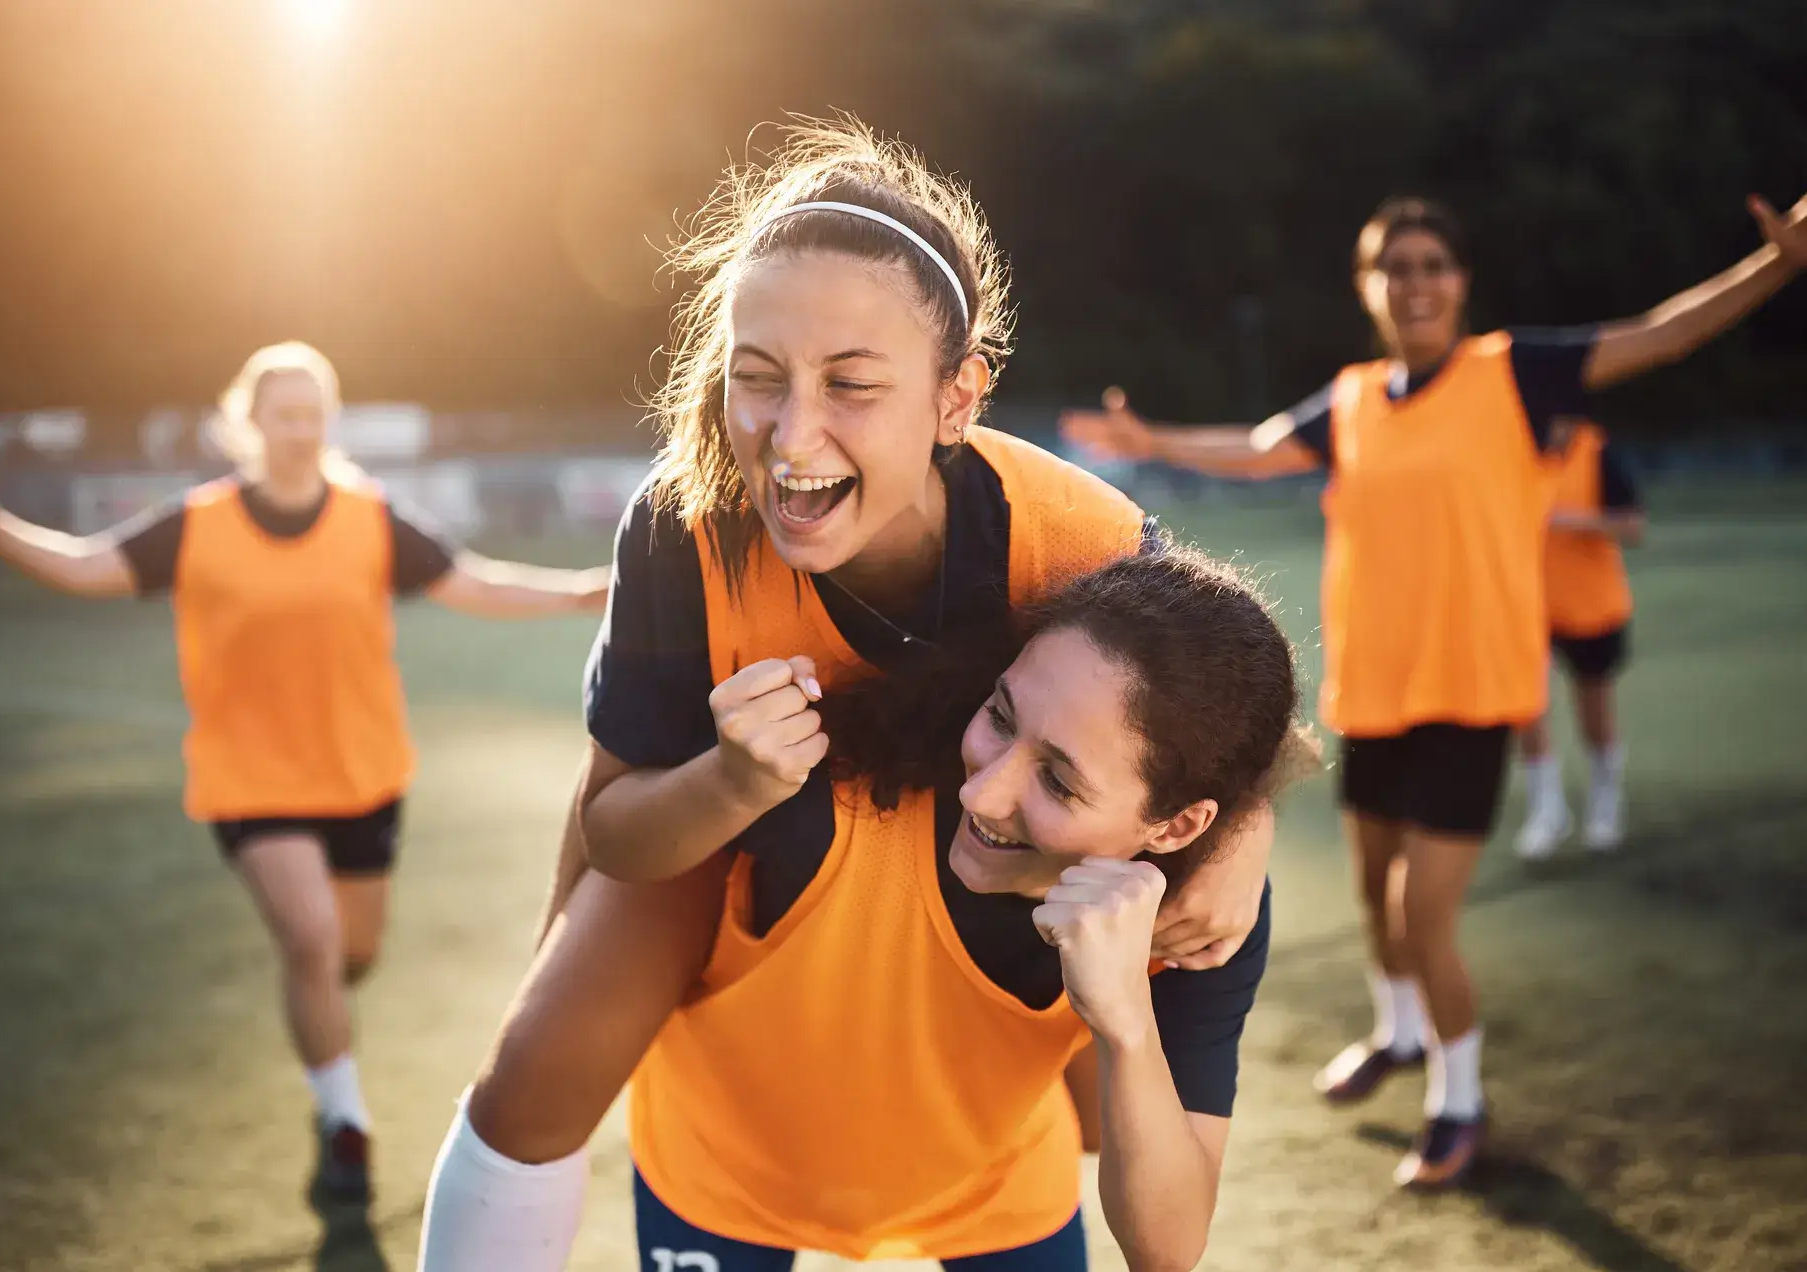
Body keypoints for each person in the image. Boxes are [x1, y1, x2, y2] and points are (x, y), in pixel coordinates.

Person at [415, 119, 1274, 1270]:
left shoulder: (1082, 542)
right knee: (535, 1076)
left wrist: (1246, 830)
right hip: (752, 875)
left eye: (853, 385)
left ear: (958, 398)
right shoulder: (690, 526)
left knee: (1115, 1023)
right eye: (755, 379)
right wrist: (727, 781)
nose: (789, 437)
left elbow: (1206, 703)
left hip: (991, 927)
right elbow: (615, 825)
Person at [1062, 188, 1807, 1188]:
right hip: (1375, 695)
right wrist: (1156, 445)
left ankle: (1460, 1100)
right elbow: (1265, 447)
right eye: (1393, 267)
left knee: (1418, 917)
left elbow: (1661, 336)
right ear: (1369, 287)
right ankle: (1397, 1033)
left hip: (1472, 697)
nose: (1415, 283)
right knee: (1370, 895)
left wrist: (1782, 263)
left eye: (1432, 264)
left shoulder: (1512, 374)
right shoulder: (1355, 399)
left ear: (1461, 280)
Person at [0, 341, 609, 1205]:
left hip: (361, 776)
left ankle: (318, 1022)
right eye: (282, 413)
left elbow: (470, 582)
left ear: (329, 421)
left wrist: (581, 590)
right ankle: (345, 1127)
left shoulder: (370, 518)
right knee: (313, 941)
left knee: (350, 955)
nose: (298, 429)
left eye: (313, 413)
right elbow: (87, 566)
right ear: (248, 423)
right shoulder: (198, 523)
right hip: (248, 780)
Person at [620, 547, 1310, 1272]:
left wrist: (1126, 1022)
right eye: (1000, 717)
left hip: (992, 1193)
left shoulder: (1196, 918)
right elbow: (623, 841)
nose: (980, 794)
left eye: (1058, 781)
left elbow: (1167, 1248)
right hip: (719, 1167)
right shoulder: (832, 784)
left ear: (1173, 828)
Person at [1515, 421, 1645, 860]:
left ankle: (1605, 802)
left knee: (1594, 710)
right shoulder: (1514, 448)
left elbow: (1633, 526)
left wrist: (1569, 521)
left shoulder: (1597, 452)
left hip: (1591, 607)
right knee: (1527, 709)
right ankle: (1547, 809)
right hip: (1528, 605)